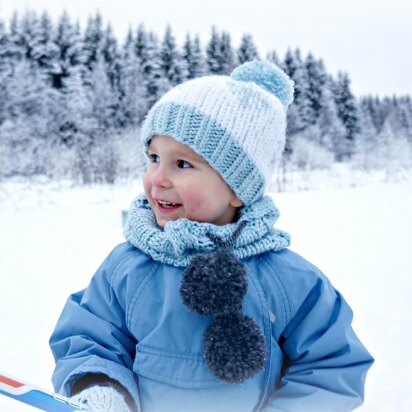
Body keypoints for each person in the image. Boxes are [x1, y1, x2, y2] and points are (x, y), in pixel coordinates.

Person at [50, 59, 373, 412]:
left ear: (238, 188)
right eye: (154, 157)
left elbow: (331, 367)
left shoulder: (288, 279)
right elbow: (89, 338)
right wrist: (102, 387)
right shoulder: (128, 266)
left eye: (182, 164)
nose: (158, 178)